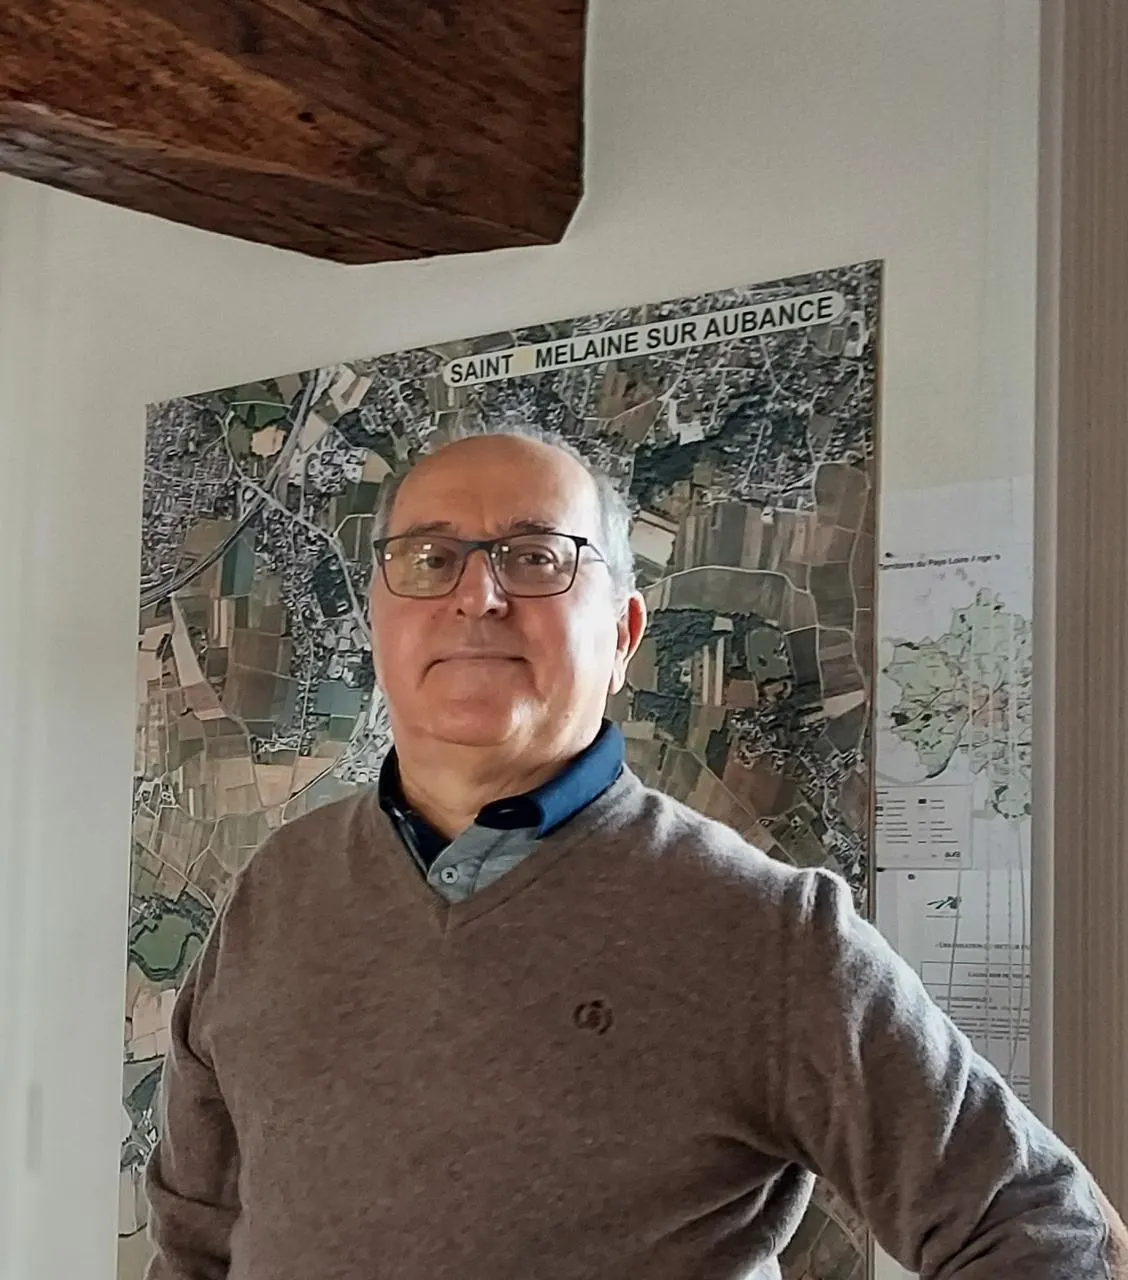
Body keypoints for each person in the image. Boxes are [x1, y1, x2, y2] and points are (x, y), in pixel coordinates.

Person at [146, 429, 1127, 1280]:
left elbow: (1042, 1231)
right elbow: (197, 1235)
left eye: (536, 557)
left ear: (622, 634)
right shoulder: (277, 891)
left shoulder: (766, 933)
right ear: (379, 617)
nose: (477, 594)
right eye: (431, 558)